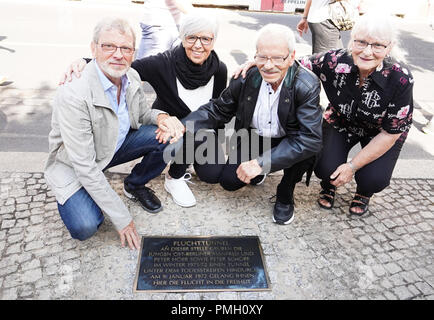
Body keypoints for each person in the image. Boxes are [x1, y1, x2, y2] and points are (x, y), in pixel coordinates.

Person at [60, 13, 228, 209]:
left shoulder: (220, 69)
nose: (198, 45)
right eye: (191, 37)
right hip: (167, 126)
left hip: (198, 131)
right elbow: (123, 64)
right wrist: (84, 61)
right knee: (175, 135)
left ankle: (183, 163)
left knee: (213, 174)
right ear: (182, 38)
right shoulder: (163, 63)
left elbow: (217, 113)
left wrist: (215, 139)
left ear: (213, 41)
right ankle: (173, 178)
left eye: (205, 39)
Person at [46, 18, 183, 250]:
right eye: (109, 46)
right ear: (93, 49)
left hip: (112, 148)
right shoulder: (73, 95)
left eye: (126, 48)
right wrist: (122, 218)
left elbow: (141, 115)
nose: (118, 55)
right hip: (76, 165)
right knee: (85, 226)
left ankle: (134, 185)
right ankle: (89, 198)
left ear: (133, 52)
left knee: (169, 137)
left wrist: (162, 118)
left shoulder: (132, 78)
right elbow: (85, 166)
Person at [181, 24, 323, 225]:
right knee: (229, 181)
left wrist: (260, 163)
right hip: (256, 137)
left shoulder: (306, 84)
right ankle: (259, 173)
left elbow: (310, 139)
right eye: (262, 57)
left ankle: (285, 192)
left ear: (291, 57)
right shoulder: (246, 77)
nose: (268, 65)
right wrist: (183, 124)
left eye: (277, 58)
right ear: (255, 56)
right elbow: (218, 109)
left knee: (304, 150)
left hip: (290, 140)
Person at [297, 12, 414, 215]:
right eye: (361, 42)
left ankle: (364, 193)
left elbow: (390, 134)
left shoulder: (400, 78)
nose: (367, 52)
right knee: (325, 168)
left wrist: (351, 166)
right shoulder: (334, 60)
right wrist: (259, 62)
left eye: (377, 45)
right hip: (342, 120)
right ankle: (329, 185)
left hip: (382, 132)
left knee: (373, 179)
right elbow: (293, 63)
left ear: (389, 47)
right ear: (351, 41)